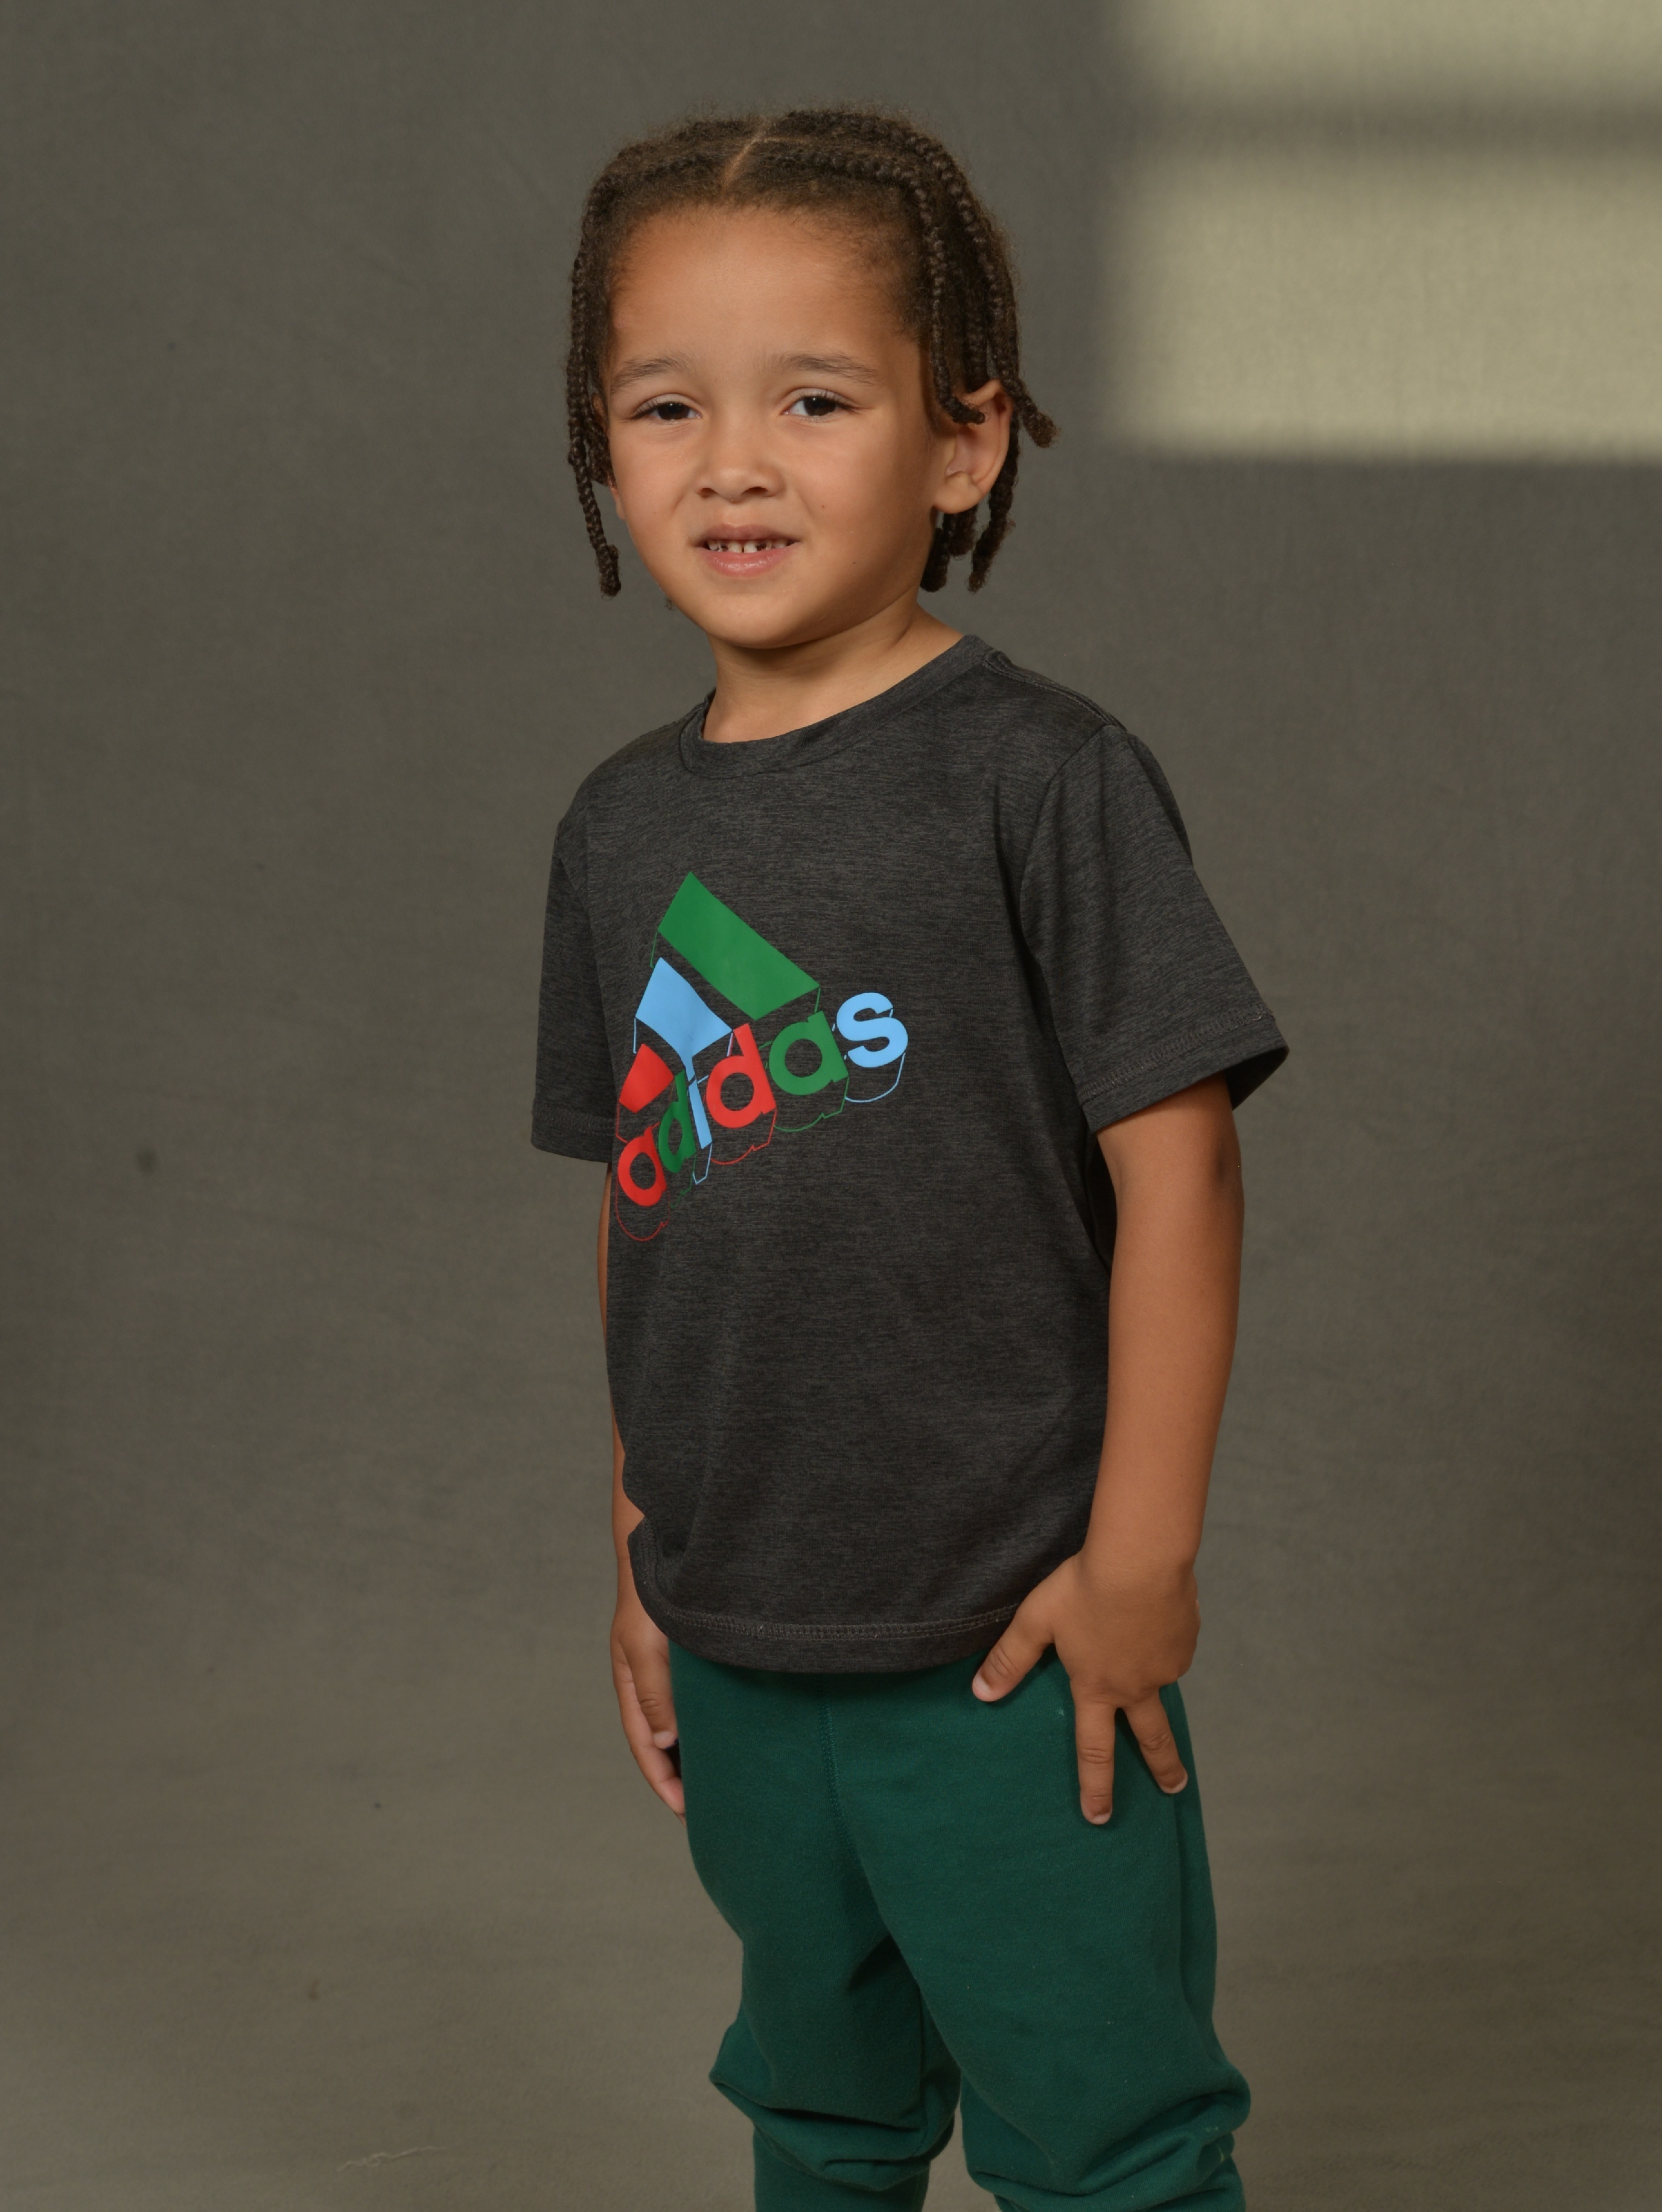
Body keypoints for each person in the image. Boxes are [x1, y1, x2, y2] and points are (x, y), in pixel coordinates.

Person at [532, 108, 1286, 2212]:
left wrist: (1138, 1560)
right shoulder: (618, 829)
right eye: (666, 406)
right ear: (601, 451)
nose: (733, 464)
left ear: (963, 444)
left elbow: (1184, 1172)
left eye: (814, 400)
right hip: (739, 1631)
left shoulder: (1043, 779)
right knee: (821, 2108)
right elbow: (644, 1203)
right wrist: (636, 1547)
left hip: (1010, 1637)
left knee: (1107, 2132)